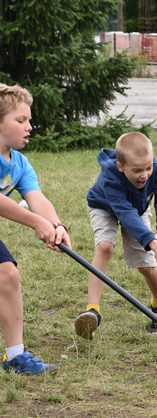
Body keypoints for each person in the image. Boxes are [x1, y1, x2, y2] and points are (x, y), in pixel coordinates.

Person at [73, 132, 157, 339]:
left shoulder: (156, 168)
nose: (144, 175)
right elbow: (125, 214)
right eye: (137, 170)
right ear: (121, 167)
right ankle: (93, 311)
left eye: (148, 168)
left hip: (138, 209)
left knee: (146, 265)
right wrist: (152, 242)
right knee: (104, 247)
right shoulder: (110, 177)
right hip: (103, 206)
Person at [0, 83, 71, 374]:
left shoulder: (19, 163)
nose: (29, 126)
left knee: (7, 275)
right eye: (20, 120)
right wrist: (36, 222)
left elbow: (36, 198)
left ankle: (15, 357)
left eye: (29, 120)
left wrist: (56, 225)